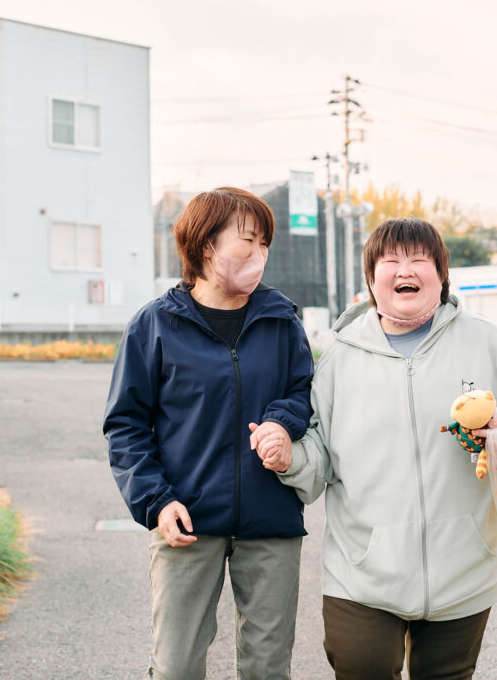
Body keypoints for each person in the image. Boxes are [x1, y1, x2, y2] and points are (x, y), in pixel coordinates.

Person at [275, 218, 497, 679]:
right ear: (372, 279)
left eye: (418, 259)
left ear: (441, 275)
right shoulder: (338, 360)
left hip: (465, 567)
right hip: (363, 573)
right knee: (361, 667)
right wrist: (289, 459)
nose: (404, 269)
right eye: (390, 260)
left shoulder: (485, 341)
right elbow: (319, 457)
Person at [103, 187, 313, 680]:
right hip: (185, 520)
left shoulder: (281, 320)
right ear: (205, 247)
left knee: (268, 667)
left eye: (264, 244)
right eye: (247, 242)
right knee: (176, 666)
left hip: (271, 520)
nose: (258, 255)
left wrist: (283, 420)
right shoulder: (155, 325)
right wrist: (154, 500)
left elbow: (304, 390)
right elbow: (126, 424)